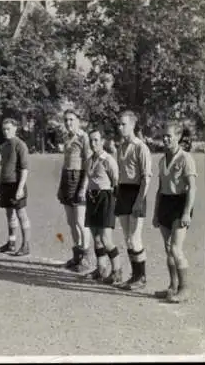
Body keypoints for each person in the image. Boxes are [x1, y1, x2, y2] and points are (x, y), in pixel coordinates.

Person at [152, 122, 197, 303]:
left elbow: (192, 188)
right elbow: (160, 189)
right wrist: (156, 213)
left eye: (169, 136)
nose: (166, 139)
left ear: (178, 137)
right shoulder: (163, 160)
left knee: (176, 249)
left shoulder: (186, 158)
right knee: (168, 248)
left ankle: (185, 289)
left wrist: (186, 212)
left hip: (180, 204)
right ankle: (173, 286)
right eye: (164, 136)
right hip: (165, 204)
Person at [115, 110, 152, 290]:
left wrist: (139, 201)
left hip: (136, 193)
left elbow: (146, 177)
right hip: (123, 192)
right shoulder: (121, 147)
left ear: (132, 125)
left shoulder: (141, 147)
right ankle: (134, 276)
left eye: (123, 124)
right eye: (119, 124)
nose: (120, 127)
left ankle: (141, 277)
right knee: (127, 238)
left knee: (135, 238)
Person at [83, 129, 122, 284]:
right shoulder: (89, 160)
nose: (93, 143)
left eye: (96, 140)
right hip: (92, 199)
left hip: (105, 198)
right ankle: (101, 269)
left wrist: (115, 203)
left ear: (103, 141)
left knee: (106, 239)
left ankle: (117, 271)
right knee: (96, 238)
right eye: (91, 140)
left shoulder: (108, 160)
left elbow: (116, 182)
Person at [56, 110, 92, 272]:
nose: (68, 123)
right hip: (67, 178)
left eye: (71, 119)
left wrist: (83, 187)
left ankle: (86, 257)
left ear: (79, 120)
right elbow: (66, 162)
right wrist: (61, 186)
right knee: (71, 222)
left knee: (80, 221)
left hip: (79, 178)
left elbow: (89, 164)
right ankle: (77, 255)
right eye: (66, 120)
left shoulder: (84, 138)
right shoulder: (67, 138)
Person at [0, 118, 31, 256]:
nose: (6, 132)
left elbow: (24, 169)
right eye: (4, 129)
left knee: (21, 214)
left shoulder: (20, 145)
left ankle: (26, 244)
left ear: (15, 129)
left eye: (8, 129)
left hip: (17, 183)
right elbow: (2, 167)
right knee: (9, 214)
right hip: (5, 184)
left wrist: (20, 188)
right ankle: (11, 243)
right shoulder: (4, 146)